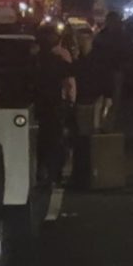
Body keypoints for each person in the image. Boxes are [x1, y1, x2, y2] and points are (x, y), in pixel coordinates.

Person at [35, 25, 76, 184]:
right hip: (52, 105)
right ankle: (53, 173)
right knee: (54, 140)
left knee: (45, 141)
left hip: (42, 105)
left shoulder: (36, 60)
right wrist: (69, 101)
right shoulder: (56, 60)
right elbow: (69, 82)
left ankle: (44, 171)